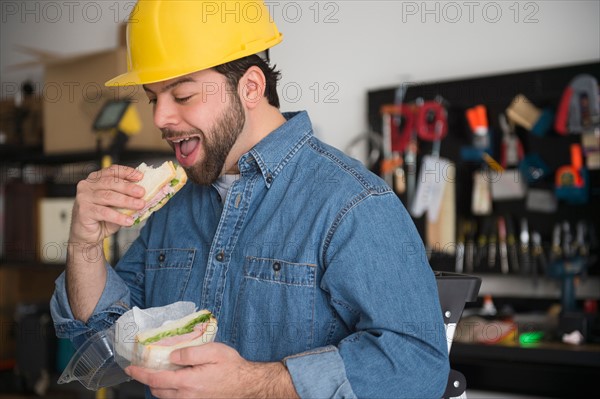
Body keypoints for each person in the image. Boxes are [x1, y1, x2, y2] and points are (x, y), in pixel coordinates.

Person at [51, 1, 449, 397]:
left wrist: (254, 384)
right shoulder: (172, 207)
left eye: (183, 95)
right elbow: (105, 342)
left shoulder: (353, 203)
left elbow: (417, 365)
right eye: (154, 98)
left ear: (251, 87)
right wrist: (84, 244)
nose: (159, 119)